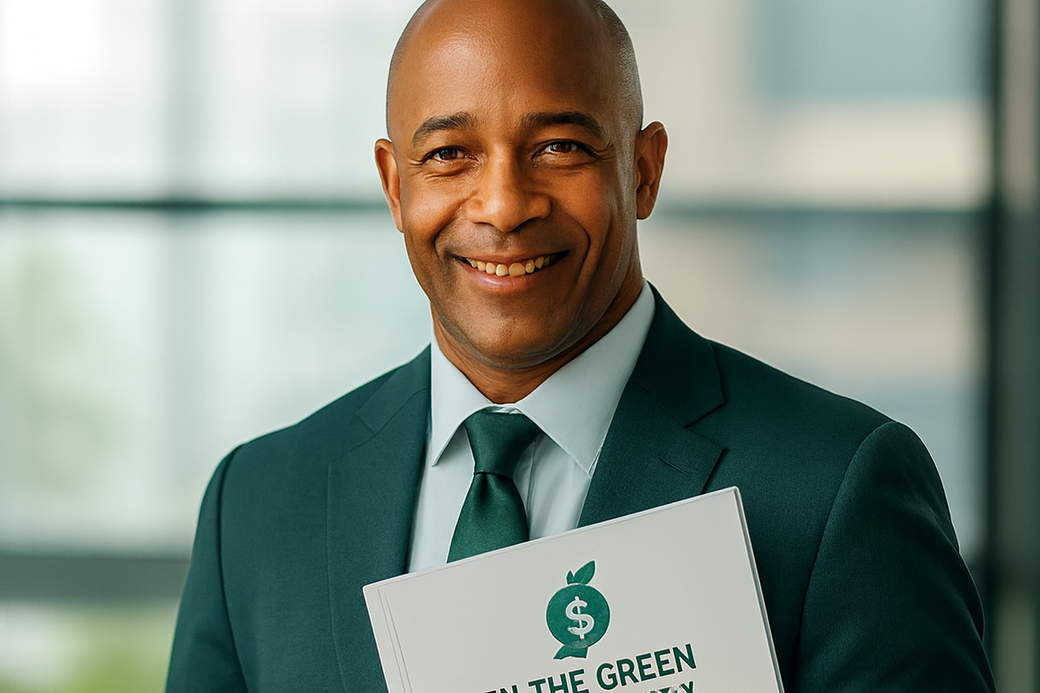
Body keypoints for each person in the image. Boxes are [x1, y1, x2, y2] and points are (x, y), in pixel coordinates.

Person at [165, 0, 995, 691]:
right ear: (394, 184)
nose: (502, 205)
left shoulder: (837, 488)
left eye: (559, 147)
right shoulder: (259, 505)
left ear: (643, 169)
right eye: (449, 154)